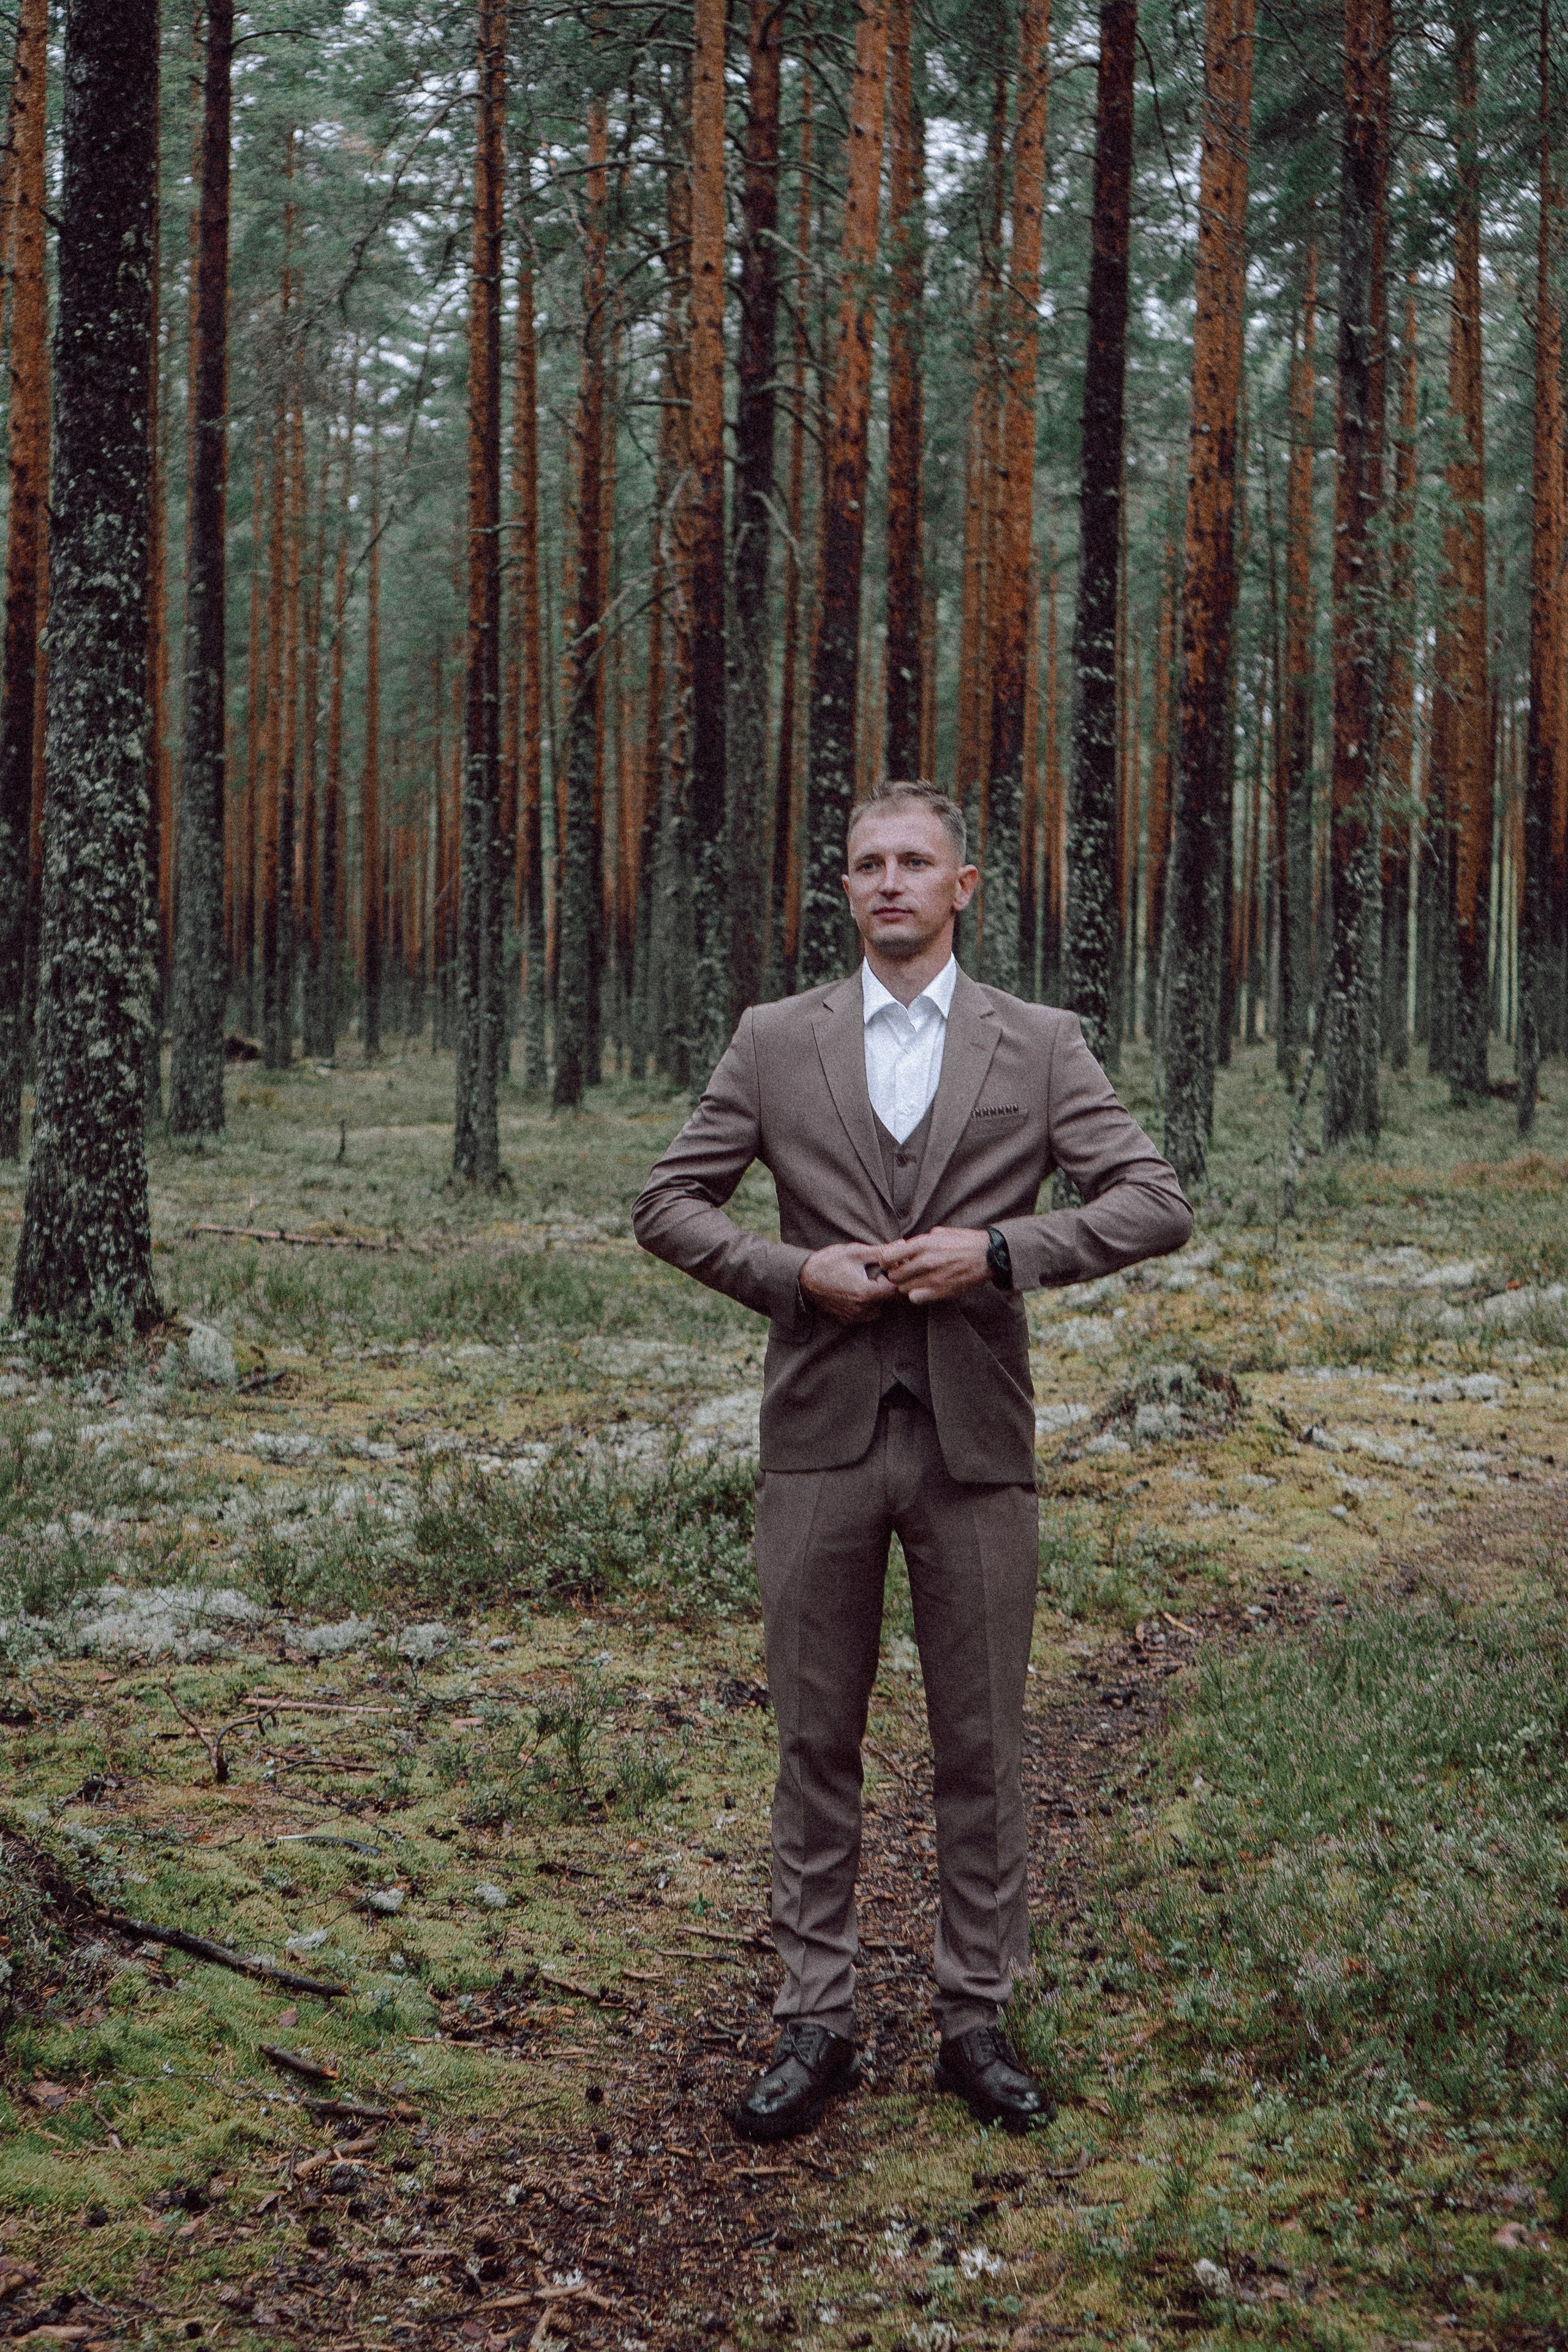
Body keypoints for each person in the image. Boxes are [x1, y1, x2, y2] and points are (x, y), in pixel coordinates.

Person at [632, 783, 1191, 2139]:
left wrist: (999, 1251)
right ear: (845, 889)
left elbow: (1151, 1200)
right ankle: (811, 2023)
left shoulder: (1040, 1043)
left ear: (965, 886)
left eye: (914, 863)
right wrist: (789, 1274)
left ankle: (973, 2020)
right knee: (813, 1740)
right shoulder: (774, 1041)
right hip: (817, 1441)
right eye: (866, 864)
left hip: (975, 1444)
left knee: (980, 1744)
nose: (889, 883)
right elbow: (662, 1202)